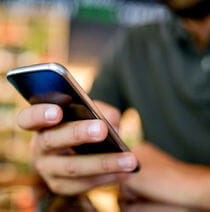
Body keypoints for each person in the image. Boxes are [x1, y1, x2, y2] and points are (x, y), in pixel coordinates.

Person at [17, 0, 210, 209]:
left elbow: (137, 171)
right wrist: (61, 153)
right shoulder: (135, 44)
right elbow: (91, 126)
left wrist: (190, 184)